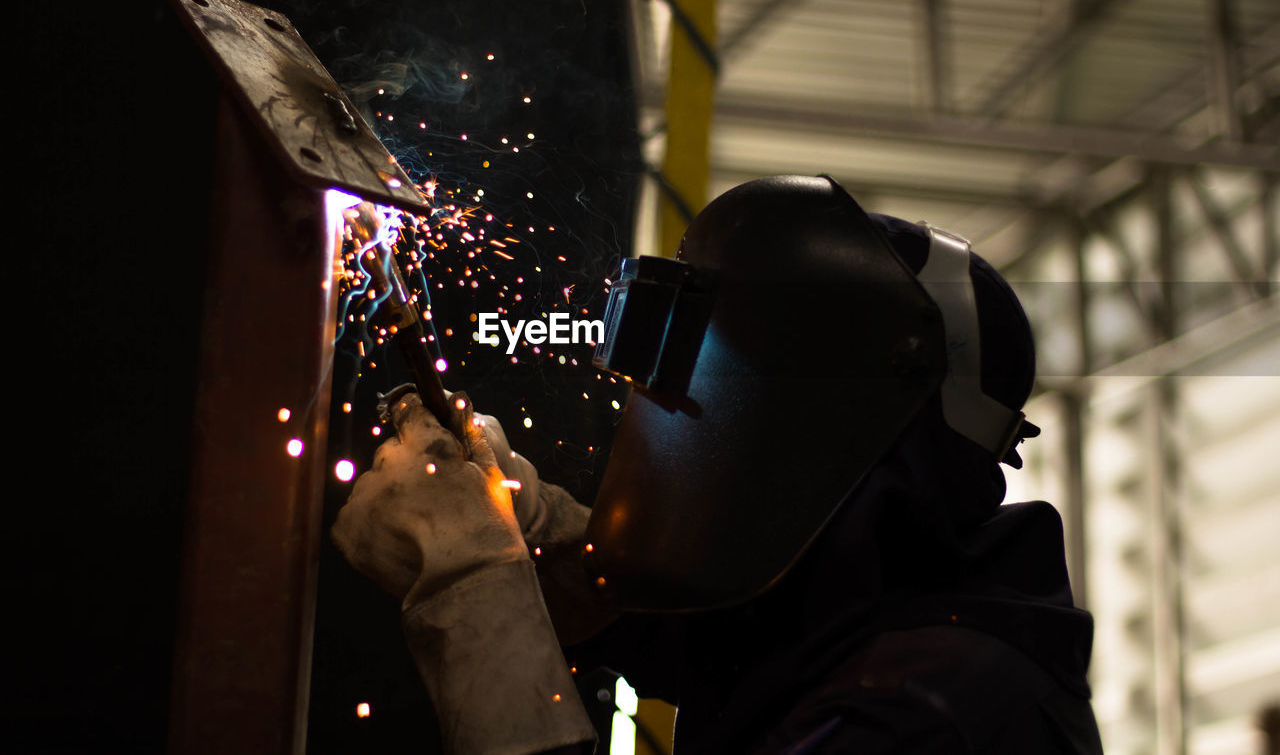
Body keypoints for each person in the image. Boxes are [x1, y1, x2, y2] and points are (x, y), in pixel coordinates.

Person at [332, 175, 1105, 754]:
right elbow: (686, 634)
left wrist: (475, 589)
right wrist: (541, 533)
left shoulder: (932, 712)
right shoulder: (856, 610)